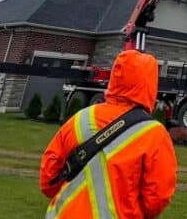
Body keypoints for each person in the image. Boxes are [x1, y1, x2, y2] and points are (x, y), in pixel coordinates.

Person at [39, 50, 178, 218]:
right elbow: (157, 197)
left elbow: (49, 180)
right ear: (150, 84)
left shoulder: (79, 119)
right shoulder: (154, 134)